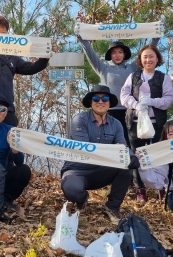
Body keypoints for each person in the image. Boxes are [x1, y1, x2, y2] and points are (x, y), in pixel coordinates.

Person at [79, 36, 160, 202]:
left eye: (120, 52)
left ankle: (134, 183)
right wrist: (82, 39)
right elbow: (90, 54)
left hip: (130, 112)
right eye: (114, 53)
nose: (117, 55)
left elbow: (146, 53)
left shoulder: (131, 68)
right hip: (109, 113)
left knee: (131, 147)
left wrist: (156, 38)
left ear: (124, 54)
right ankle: (111, 178)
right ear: (110, 55)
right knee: (112, 147)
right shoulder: (103, 68)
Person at [60, 85, 140, 224]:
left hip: (102, 170)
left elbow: (123, 147)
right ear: (91, 102)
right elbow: (86, 149)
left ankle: (112, 207)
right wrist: (113, 149)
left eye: (105, 98)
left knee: (127, 165)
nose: (100, 101)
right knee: (72, 191)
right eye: (96, 98)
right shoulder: (78, 120)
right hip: (77, 170)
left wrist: (131, 155)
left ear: (109, 103)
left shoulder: (116, 124)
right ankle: (81, 197)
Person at [120, 44, 173, 201]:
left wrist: (151, 101)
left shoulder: (163, 77)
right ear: (140, 60)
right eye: (145, 57)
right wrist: (136, 104)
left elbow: (168, 99)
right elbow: (124, 95)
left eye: (151, 56)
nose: (148, 59)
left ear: (157, 59)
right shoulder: (133, 76)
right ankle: (140, 188)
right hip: (135, 123)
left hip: (157, 124)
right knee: (136, 156)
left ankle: (162, 186)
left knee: (159, 155)